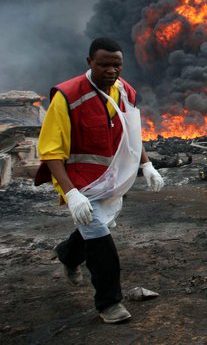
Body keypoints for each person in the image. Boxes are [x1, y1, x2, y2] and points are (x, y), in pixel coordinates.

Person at [35, 37, 164, 324]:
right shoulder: (67, 97)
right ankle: (109, 304)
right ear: (89, 62)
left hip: (110, 180)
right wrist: (72, 195)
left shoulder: (126, 92)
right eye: (104, 64)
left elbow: (133, 133)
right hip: (80, 183)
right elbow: (51, 152)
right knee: (101, 242)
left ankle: (68, 255)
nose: (111, 70)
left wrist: (147, 165)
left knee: (97, 227)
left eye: (117, 65)